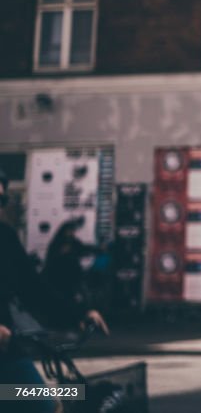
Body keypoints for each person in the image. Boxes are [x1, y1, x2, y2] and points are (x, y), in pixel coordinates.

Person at [0, 170, 109, 411]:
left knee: (53, 399)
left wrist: (78, 314)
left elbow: (33, 288)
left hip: (6, 352)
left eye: (1, 200)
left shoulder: (4, 237)